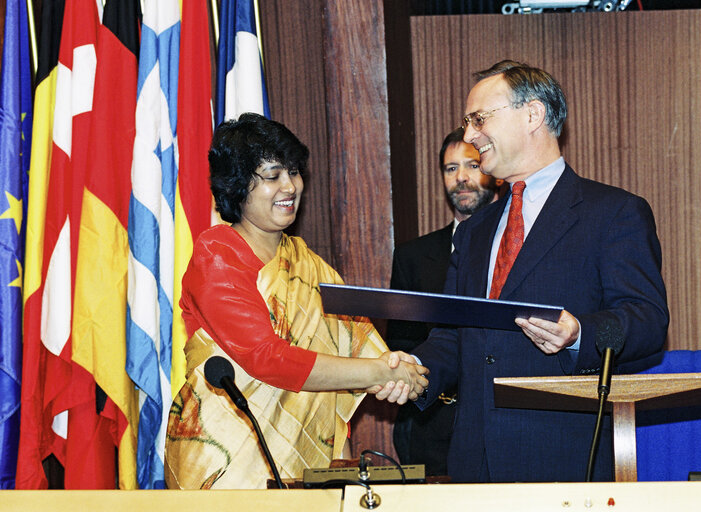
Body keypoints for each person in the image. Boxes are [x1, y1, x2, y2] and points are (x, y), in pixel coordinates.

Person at [388, 60, 669, 483]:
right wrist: (411, 370)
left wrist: (580, 333)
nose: (469, 135)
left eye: (479, 119)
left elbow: (647, 321)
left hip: (563, 459)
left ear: (533, 115)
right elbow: (453, 335)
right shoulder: (473, 231)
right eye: (467, 123)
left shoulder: (613, 213)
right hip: (472, 462)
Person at [164, 113, 428, 489]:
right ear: (239, 186)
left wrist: (395, 370)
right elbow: (267, 358)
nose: (290, 186)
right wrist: (382, 373)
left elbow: (352, 365)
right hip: (226, 460)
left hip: (307, 465)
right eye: (272, 176)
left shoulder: (314, 269)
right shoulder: (217, 255)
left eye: (294, 172)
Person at [387, 127, 500, 475]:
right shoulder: (413, 255)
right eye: (451, 169)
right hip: (428, 420)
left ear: (495, 172)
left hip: (499, 417)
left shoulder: (515, 247)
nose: (462, 178)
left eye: (472, 165)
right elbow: (401, 340)